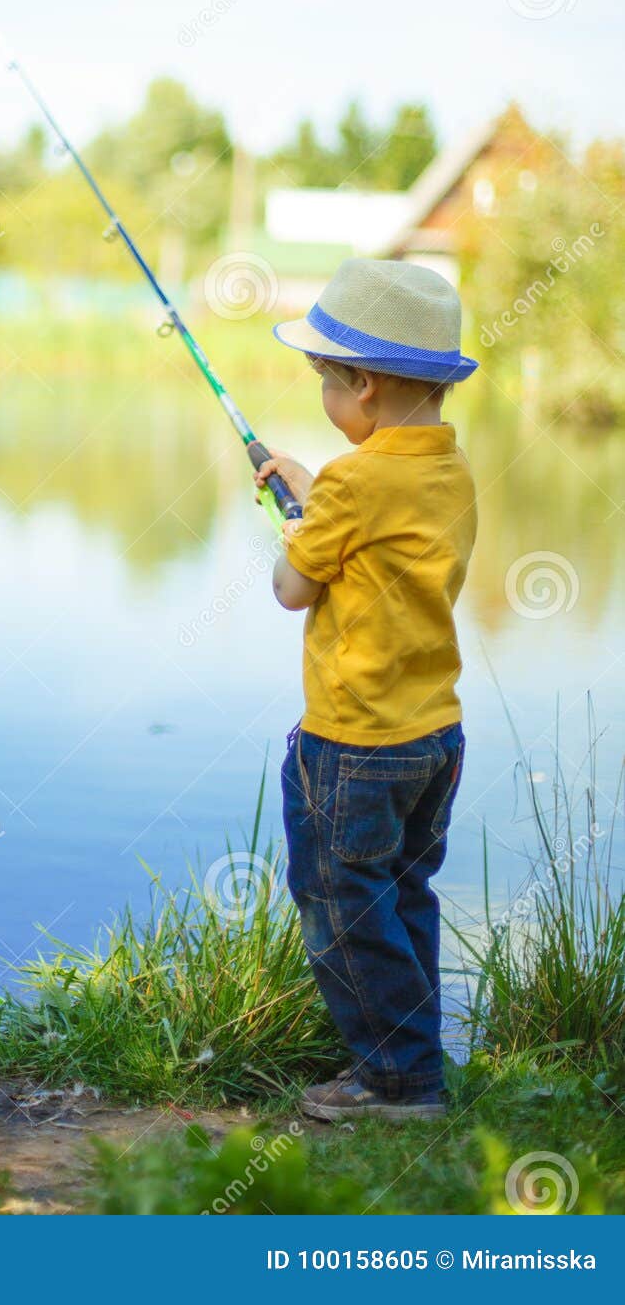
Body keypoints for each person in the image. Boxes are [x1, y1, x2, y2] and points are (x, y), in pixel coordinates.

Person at [257, 258, 477, 1122]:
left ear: (364, 385)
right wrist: (316, 501)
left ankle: (396, 1083)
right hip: (432, 739)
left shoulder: (351, 482)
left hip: (352, 744)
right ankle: (415, 1057)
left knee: (342, 905)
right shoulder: (447, 468)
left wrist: (303, 521)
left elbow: (290, 588)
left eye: (323, 381)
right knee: (402, 896)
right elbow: (381, 540)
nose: (323, 399)